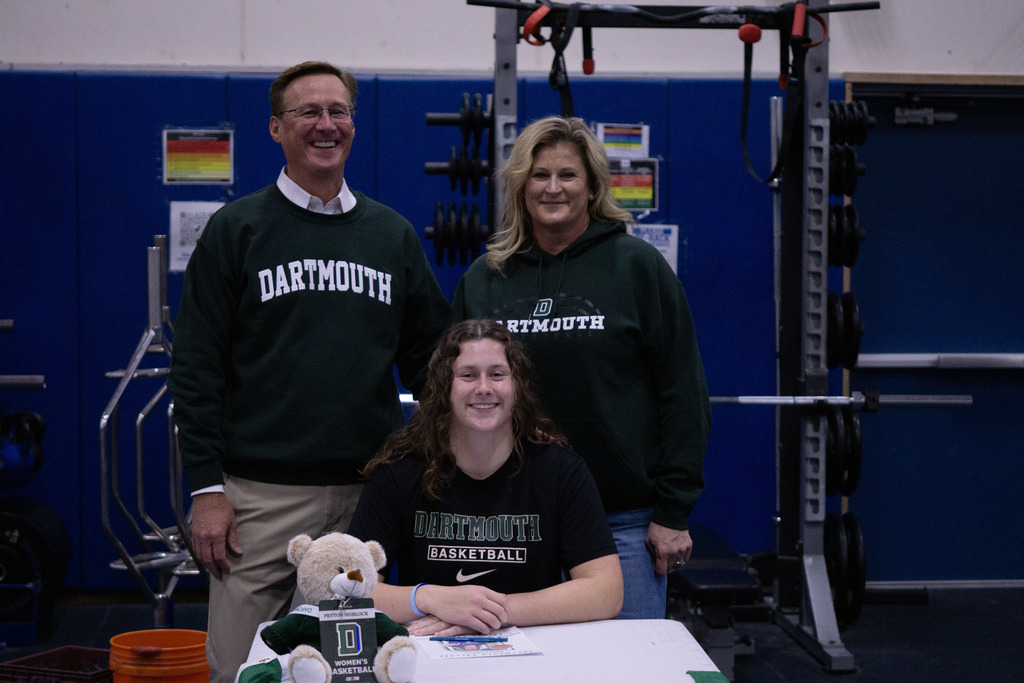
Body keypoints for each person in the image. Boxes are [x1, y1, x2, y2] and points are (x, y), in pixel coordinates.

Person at [167, 60, 451, 681]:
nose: (326, 125)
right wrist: (207, 491)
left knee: (360, 670)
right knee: (243, 668)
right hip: (258, 505)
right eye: (308, 113)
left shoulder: (391, 235)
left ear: (353, 123)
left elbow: (436, 364)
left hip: (366, 499)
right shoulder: (236, 230)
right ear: (276, 129)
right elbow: (195, 368)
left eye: (338, 111)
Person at [451, 115, 711, 620]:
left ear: (592, 186)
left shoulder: (637, 266)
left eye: (567, 175)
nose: (553, 188)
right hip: (510, 520)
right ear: (520, 186)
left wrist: (673, 511)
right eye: (539, 174)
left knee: (626, 673)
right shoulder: (486, 278)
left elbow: (683, 391)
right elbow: (454, 397)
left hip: (624, 522)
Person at [348, 319, 623, 636]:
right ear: (444, 387)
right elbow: (349, 587)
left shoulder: (560, 471)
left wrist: (490, 612)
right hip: (428, 646)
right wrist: (428, 598)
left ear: (516, 386)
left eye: (497, 374)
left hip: (535, 649)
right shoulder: (399, 472)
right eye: (467, 375)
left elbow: (607, 590)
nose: (483, 387)